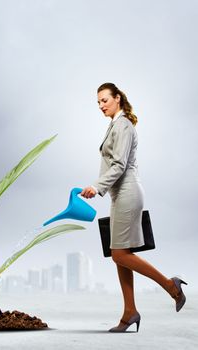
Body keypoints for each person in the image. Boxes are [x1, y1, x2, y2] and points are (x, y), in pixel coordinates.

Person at [80, 82, 187, 333]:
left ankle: (171, 286)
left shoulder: (124, 124)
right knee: (119, 256)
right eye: (97, 102)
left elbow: (118, 165)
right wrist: (100, 188)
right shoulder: (115, 125)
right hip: (119, 194)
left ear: (117, 98)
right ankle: (130, 312)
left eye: (104, 100)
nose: (100, 105)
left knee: (119, 253)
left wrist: (96, 186)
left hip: (127, 192)